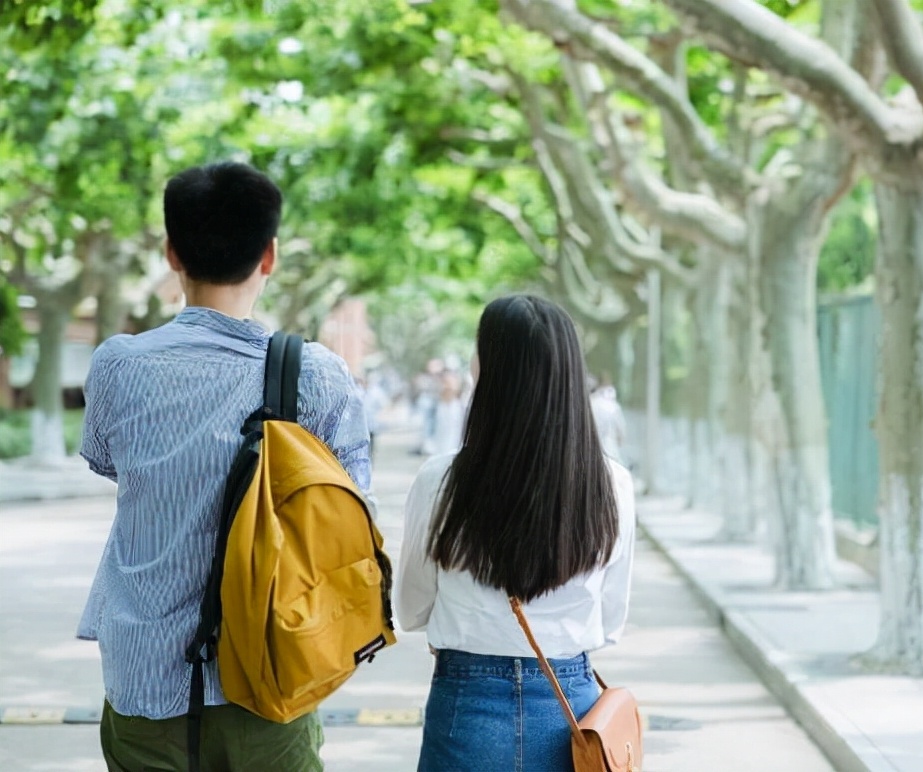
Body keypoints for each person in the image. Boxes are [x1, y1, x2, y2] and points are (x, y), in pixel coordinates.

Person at [78, 162, 371, 771]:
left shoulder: (119, 366)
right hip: (271, 675)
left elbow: (106, 460)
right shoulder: (315, 376)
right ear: (269, 256)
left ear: (171, 253)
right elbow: (349, 510)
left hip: (144, 679)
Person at [397, 295, 636, 772]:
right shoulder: (612, 484)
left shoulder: (441, 480)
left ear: (490, 371)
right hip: (572, 712)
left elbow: (411, 609)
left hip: (466, 705)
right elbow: (610, 621)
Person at [590, 375, 627, 463]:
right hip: (611, 456)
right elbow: (621, 436)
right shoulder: (614, 407)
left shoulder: (590, 402)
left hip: (591, 456)